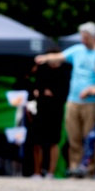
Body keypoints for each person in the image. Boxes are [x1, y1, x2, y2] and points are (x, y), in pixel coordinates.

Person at [35, 22, 95, 174]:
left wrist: (93, 89)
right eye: (82, 37)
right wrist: (45, 57)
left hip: (91, 103)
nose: (83, 40)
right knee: (73, 136)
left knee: (89, 137)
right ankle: (74, 167)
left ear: (94, 37)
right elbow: (60, 56)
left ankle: (89, 169)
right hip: (73, 101)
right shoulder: (77, 50)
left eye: (86, 37)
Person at [27, 47, 69, 178]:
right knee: (37, 141)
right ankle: (37, 172)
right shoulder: (41, 70)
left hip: (55, 111)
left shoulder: (64, 72)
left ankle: (51, 172)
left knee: (53, 141)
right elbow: (36, 88)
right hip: (41, 110)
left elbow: (63, 94)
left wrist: (49, 94)